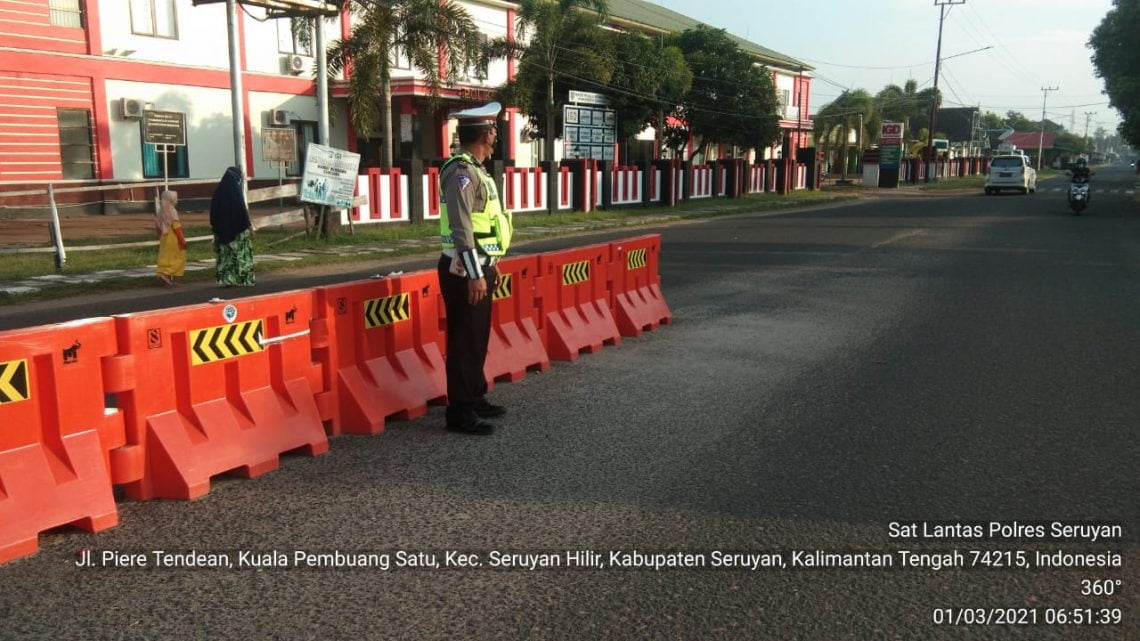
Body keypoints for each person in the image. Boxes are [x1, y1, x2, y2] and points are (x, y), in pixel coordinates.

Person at [438, 101, 513, 435]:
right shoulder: (461, 172)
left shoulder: (477, 170)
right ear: (485, 133)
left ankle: (475, 395)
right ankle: (460, 411)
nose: (497, 134)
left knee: (477, 337)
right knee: (464, 340)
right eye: (494, 129)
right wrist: (474, 273)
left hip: (482, 266)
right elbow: (461, 226)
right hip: (464, 270)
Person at [209, 166, 256, 287]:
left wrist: (215, 229)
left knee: (225, 256)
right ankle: (243, 279)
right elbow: (242, 211)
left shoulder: (218, 192)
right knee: (240, 255)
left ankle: (227, 280)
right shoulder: (235, 192)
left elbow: (213, 213)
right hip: (238, 231)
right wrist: (250, 228)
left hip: (222, 231)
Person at [154, 189, 186, 287]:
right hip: (173, 238)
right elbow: (176, 227)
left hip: (164, 237)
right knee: (177, 257)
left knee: (165, 257)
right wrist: (182, 240)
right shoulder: (172, 211)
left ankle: (167, 278)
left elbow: (158, 226)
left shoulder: (160, 212)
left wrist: (160, 238)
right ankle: (166, 274)